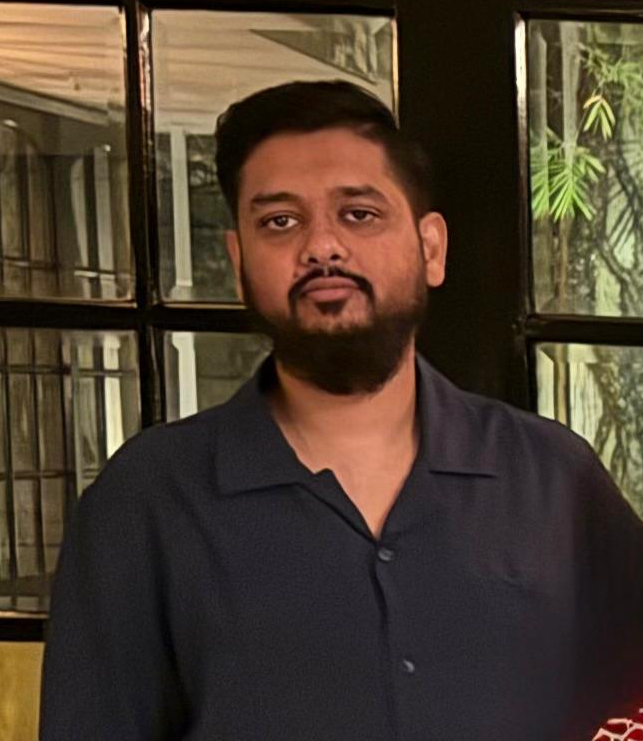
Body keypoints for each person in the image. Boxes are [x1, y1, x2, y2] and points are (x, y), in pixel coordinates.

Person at [40, 80, 643, 741]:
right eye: (280, 221)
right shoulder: (147, 501)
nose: (321, 247)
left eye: (358, 213)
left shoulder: (552, 479)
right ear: (239, 262)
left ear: (431, 248)